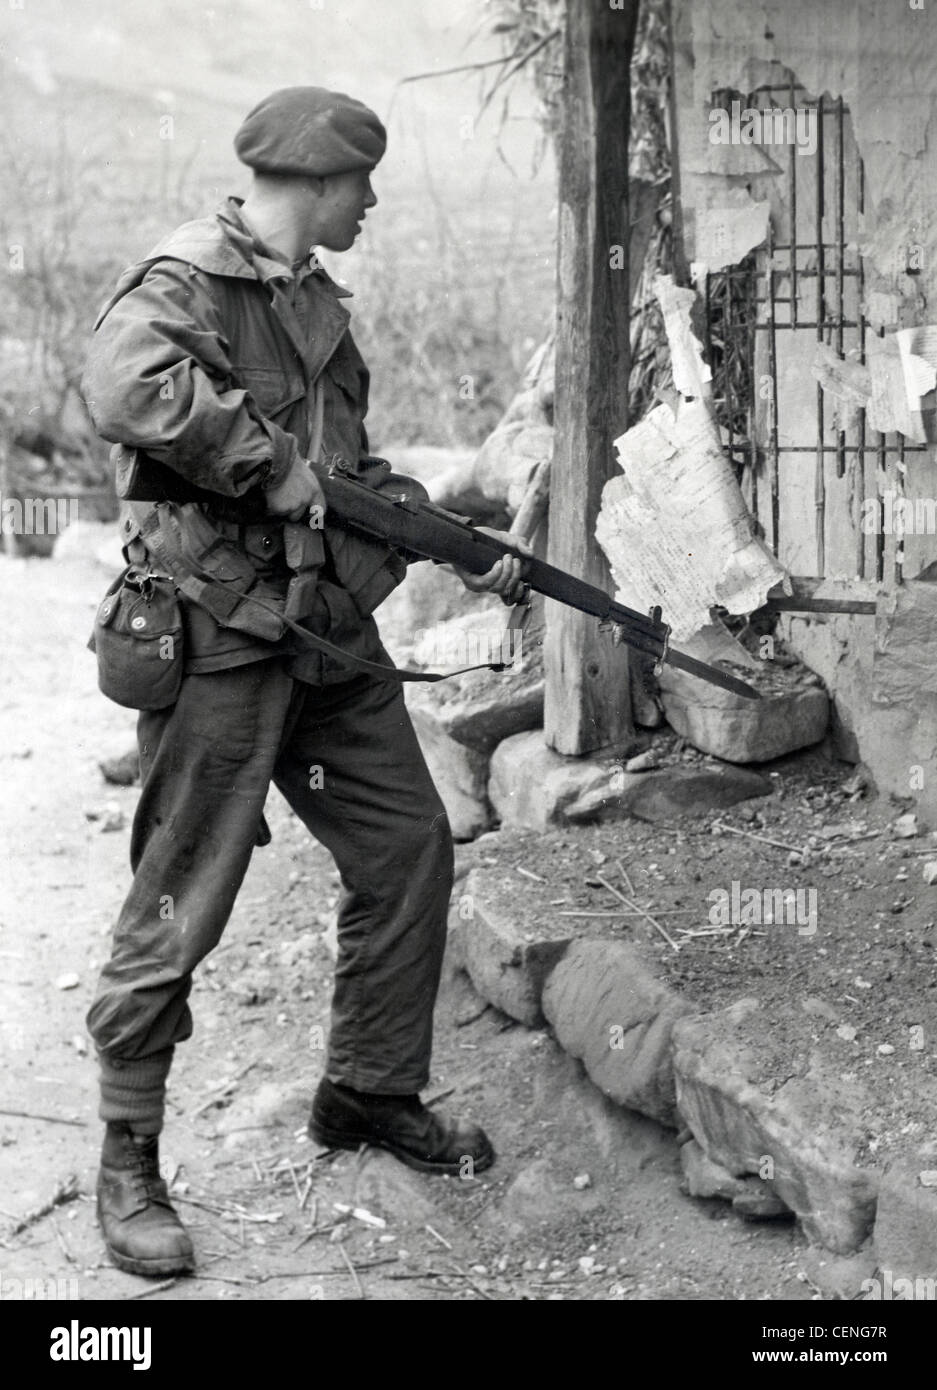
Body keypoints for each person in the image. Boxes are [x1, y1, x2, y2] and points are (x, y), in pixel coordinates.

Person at [81, 86, 531, 1278]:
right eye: (360, 184)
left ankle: (368, 1089)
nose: (372, 203)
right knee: (182, 897)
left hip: (323, 636)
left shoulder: (316, 302)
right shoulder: (186, 279)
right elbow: (126, 393)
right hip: (222, 640)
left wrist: (447, 532)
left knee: (405, 846)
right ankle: (127, 1158)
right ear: (316, 182)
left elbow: (340, 471)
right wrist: (258, 461)